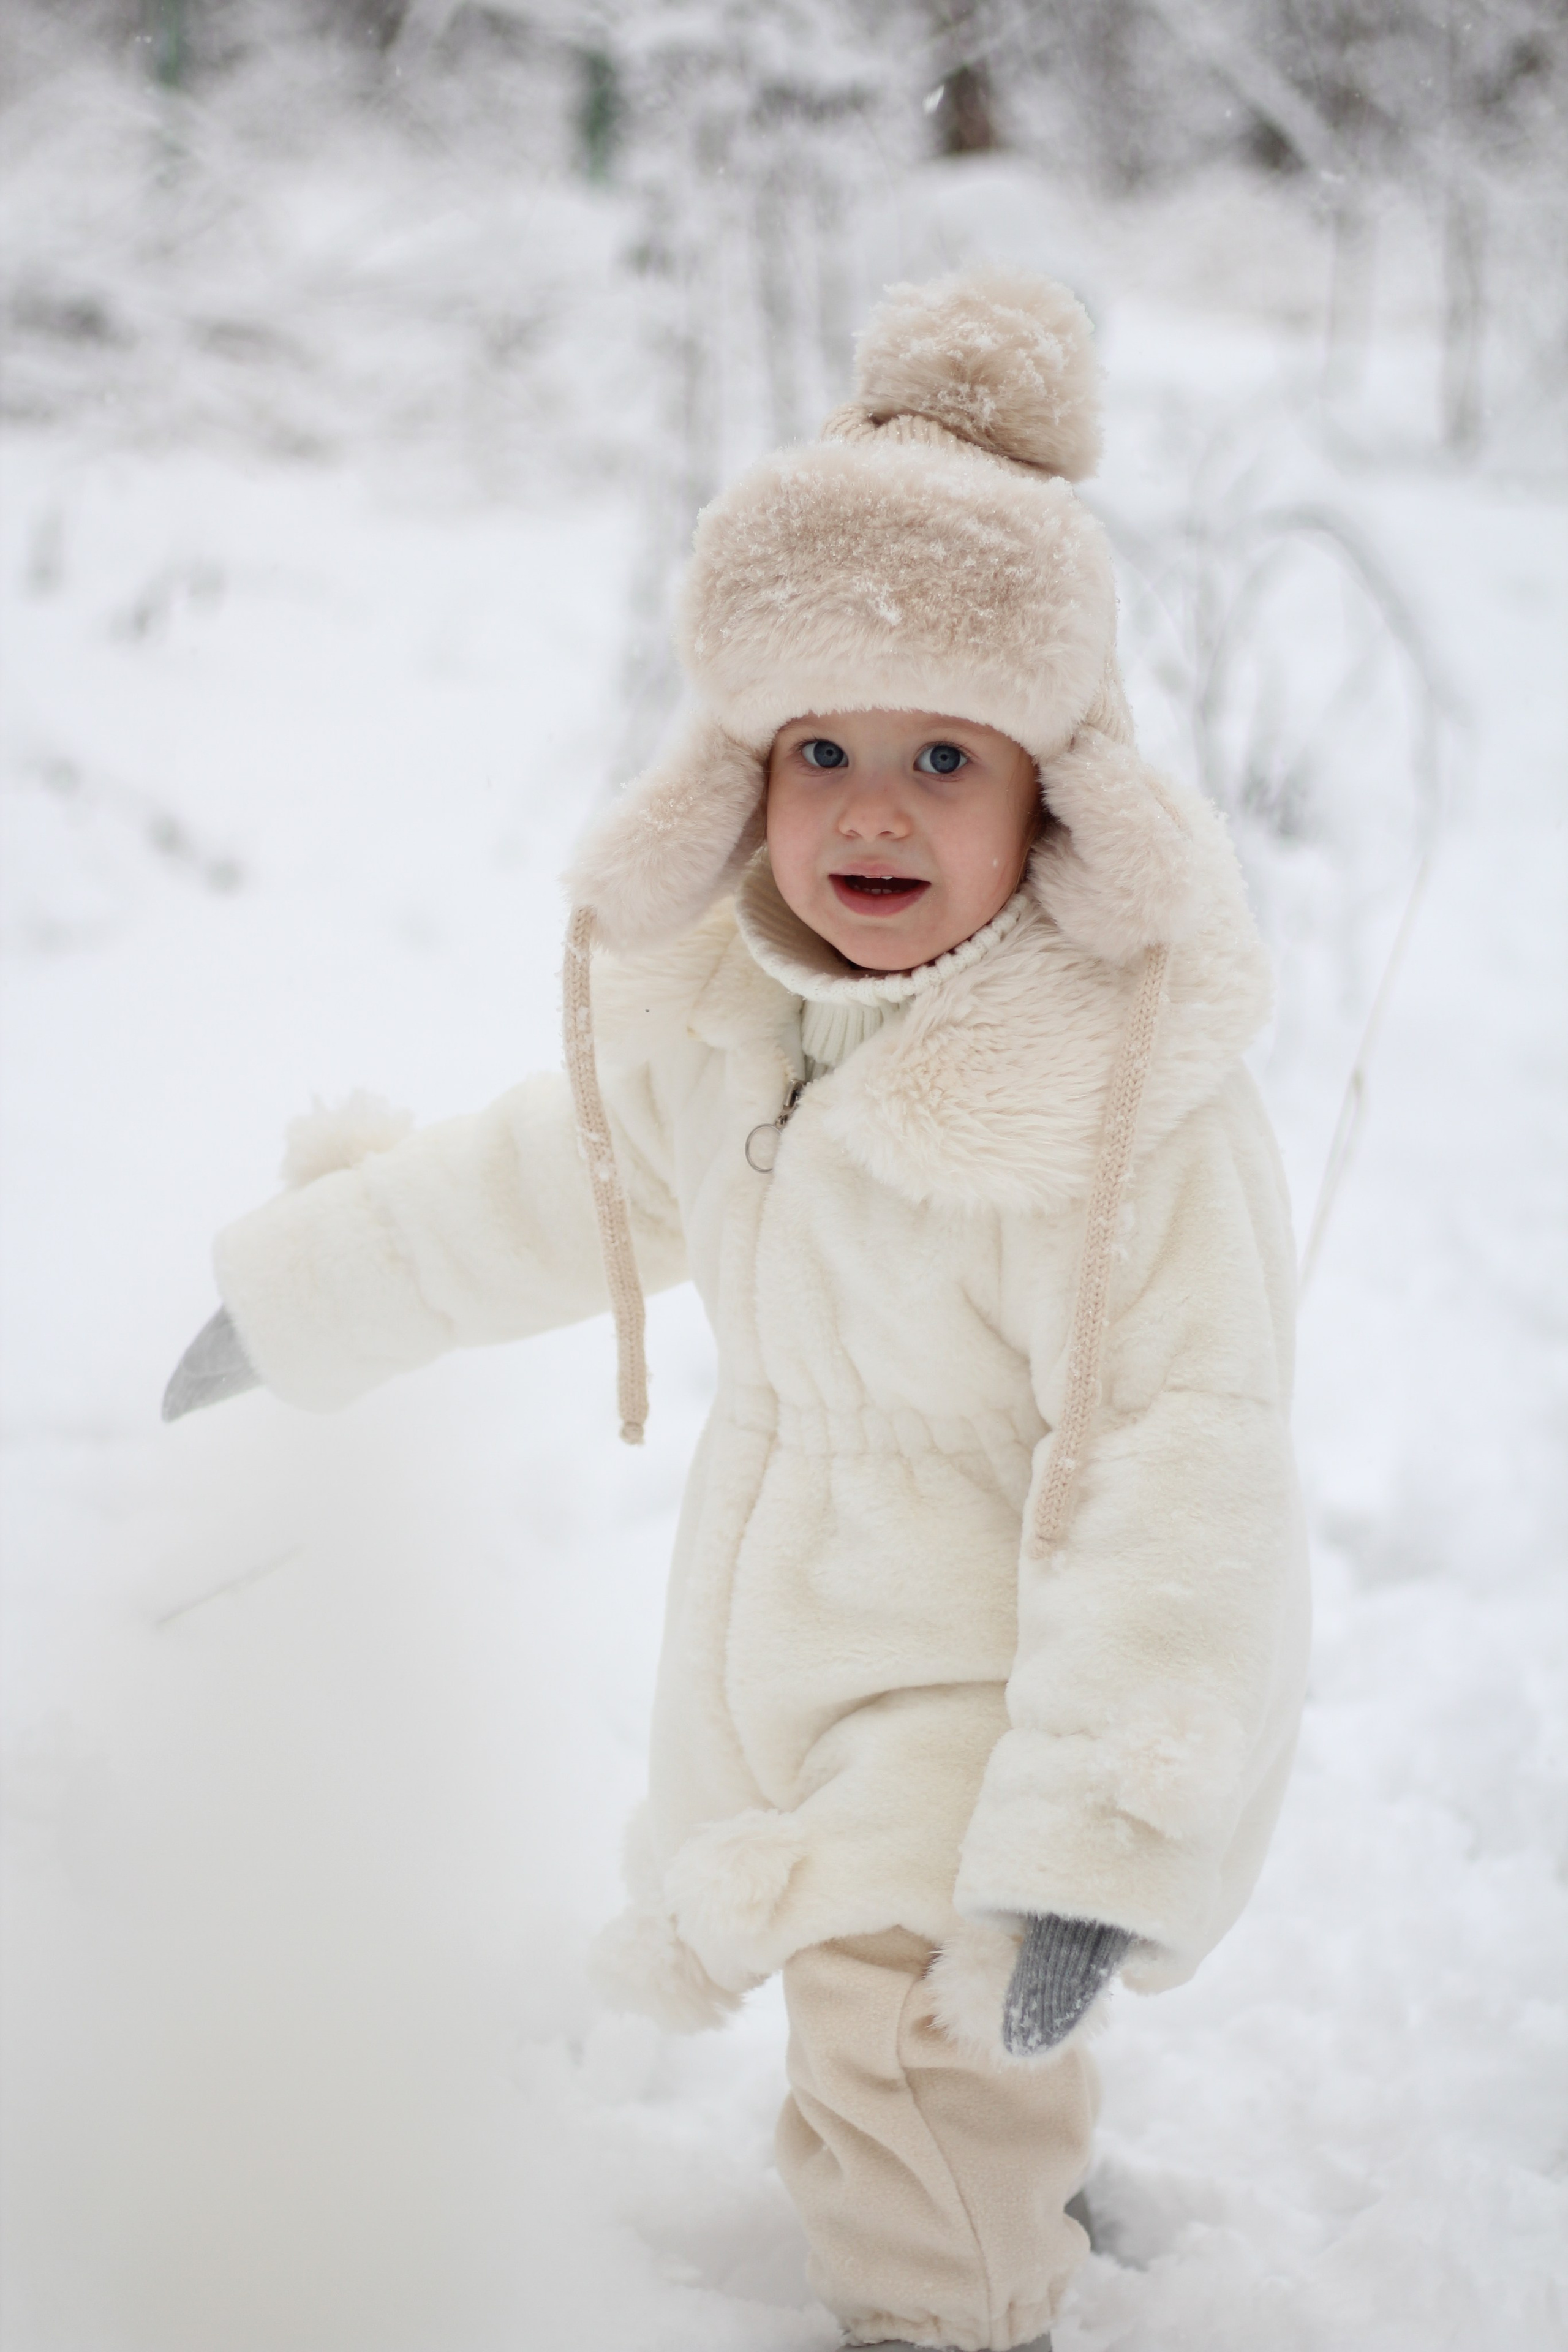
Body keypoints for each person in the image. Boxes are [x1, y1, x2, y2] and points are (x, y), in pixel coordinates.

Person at [166, 269, 1308, 2352]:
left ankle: (953, 2308)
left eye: (944, 754)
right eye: (822, 750)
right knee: (896, 2051)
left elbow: (1189, 1460)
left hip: (989, 1704)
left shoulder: (1115, 1107)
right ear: (742, 770)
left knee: (902, 2054)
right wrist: (311, 1293)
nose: (873, 810)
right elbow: (550, 1186)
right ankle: (1004, 2191)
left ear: (1055, 791)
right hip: (797, 1664)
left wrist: (1094, 1838)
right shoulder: (739, 1025)